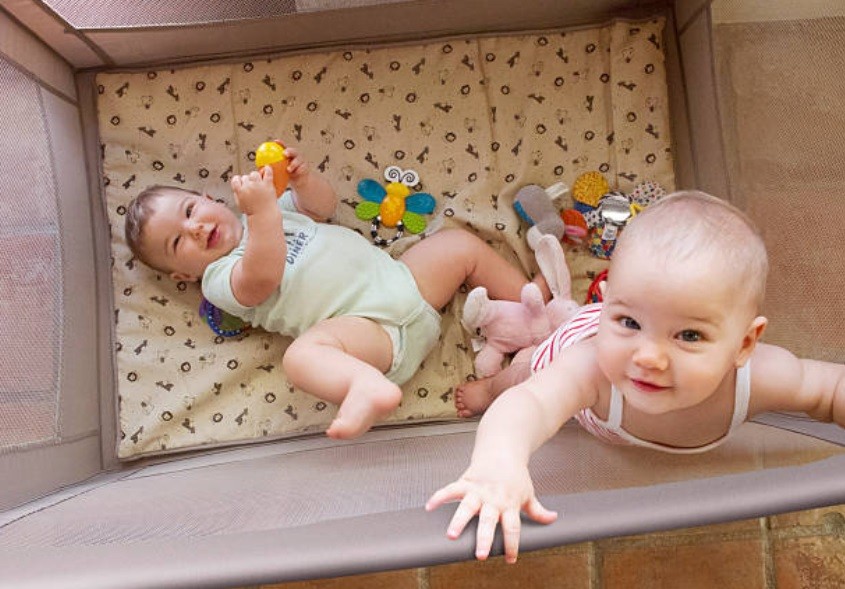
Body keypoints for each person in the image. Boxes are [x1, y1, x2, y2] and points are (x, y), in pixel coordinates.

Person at [426, 190, 845, 563]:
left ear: (744, 345)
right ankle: (488, 385)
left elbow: (830, 390)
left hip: (608, 342)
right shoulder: (590, 367)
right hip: (575, 345)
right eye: (629, 321)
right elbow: (529, 405)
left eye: (689, 335)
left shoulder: (765, 377)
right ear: (607, 305)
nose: (649, 357)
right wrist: (499, 462)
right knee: (520, 377)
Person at [124, 144, 548, 440]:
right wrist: (264, 212)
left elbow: (321, 209)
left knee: (460, 246)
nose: (195, 229)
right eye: (178, 243)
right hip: (371, 335)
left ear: (205, 198)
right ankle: (363, 387)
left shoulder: (267, 212)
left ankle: (537, 310)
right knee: (302, 357)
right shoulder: (219, 279)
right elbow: (262, 277)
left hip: (404, 283)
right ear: (182, 275)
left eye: (190, 211)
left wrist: (304, 180)